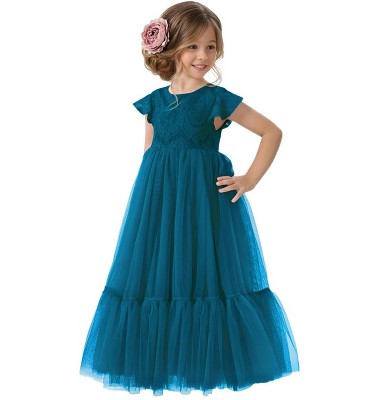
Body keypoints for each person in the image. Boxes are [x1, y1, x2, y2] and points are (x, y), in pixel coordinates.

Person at [80, 1, 299, 395]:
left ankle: (205, 366)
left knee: (204, 276)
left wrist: (249, 179)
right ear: (170, 47)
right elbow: (150, 155)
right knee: (158, 279)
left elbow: (271, 132)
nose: (203, 56)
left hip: (203, 207)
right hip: (158, 205)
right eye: (193, 46)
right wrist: (147, 207)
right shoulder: (153, 102)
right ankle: (163, 362)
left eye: (211, 46)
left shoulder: (217, 99)